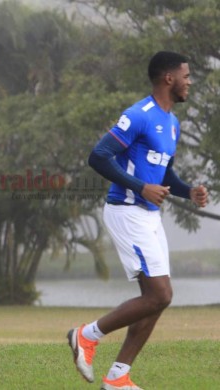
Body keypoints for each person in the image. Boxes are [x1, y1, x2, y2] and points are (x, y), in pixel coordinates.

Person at [68, 51, 208, 390]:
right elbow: (98, 156)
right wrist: (140, 187)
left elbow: (164, 172)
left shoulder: (172, 122)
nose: (190, 81)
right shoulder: (139, 115)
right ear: (168, 79)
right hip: (126, 211)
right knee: (160, 295)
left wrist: (187, 191)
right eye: (186, 76)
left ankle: (118, 377)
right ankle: (86, 336)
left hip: (149, 215)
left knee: (157, 299)